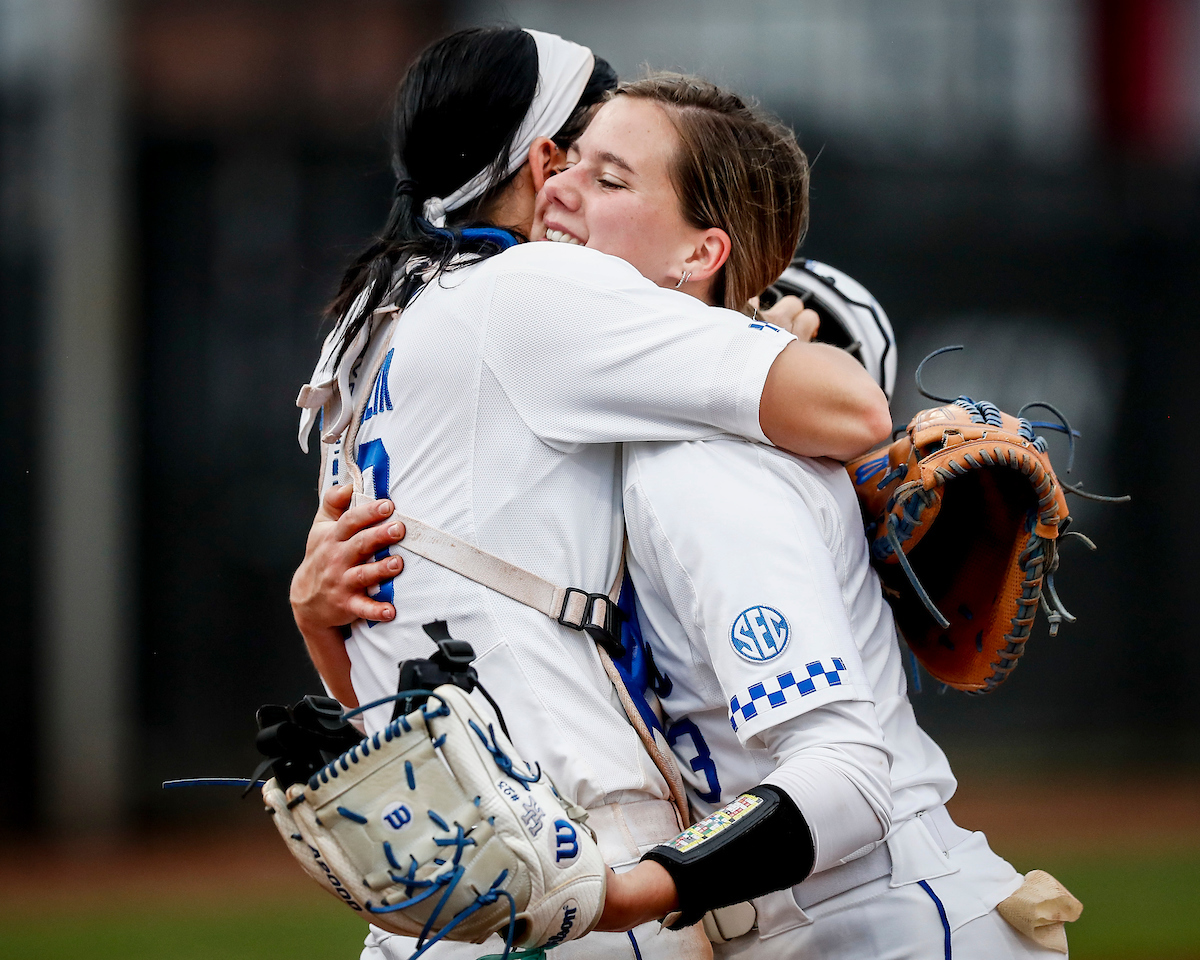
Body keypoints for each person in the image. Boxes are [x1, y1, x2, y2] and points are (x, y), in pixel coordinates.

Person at [307, 84, 1072, 956]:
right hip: (790, 923)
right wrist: (325, 621)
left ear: (700, 252)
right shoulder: (596, 462)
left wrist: (620, 896)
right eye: (570, 158)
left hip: (882, 922)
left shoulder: (704, 468)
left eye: (611, 178)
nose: (558, 185)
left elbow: (847, 779)